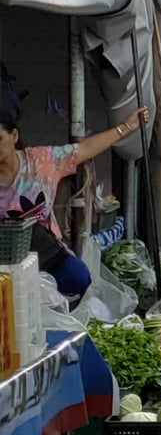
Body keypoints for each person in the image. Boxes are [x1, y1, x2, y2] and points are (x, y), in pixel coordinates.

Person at [0, 106, 149, 298]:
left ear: (14, 136)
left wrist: (126, 127)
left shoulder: (41, 161)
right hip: (6, 264)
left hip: (47, 253)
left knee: (78, 277)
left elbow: (85, 149)